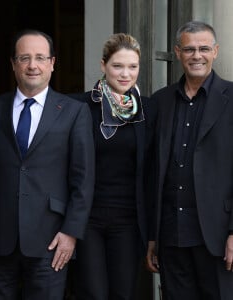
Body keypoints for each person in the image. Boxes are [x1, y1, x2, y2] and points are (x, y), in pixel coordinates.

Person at [0, 29, 95, 300]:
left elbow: (83, 178)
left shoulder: (74, 112)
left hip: (51, 239)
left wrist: (71, 232)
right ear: (13, 63)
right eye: (25, 58)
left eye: (40, 57)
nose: (33, 65)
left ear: (53, 63)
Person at [146, 21, 233, 299]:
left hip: (218, 238)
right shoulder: (160, 102)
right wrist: (152, 235)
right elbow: (152, 171)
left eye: (204, 49)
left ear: (216, 51)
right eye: (189, 49)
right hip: (172, 237)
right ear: (177, 52)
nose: (197, 55)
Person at [70, 33, 154, 300]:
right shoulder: (80, 106)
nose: (125, 74)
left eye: (133, 67)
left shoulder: (148, 111)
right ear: (103, 65)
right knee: (92, 293)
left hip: (129, 221)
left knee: (123, 293)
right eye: (118, 66)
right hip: (88, 219)